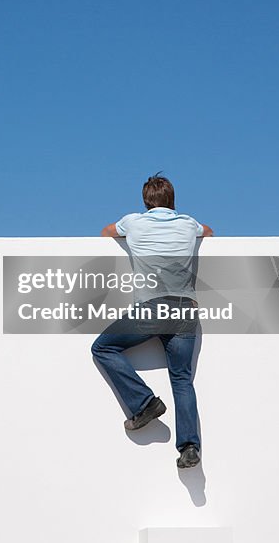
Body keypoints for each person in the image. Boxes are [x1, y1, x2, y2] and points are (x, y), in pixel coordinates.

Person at [91, 174, 213, 469]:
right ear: (172, 201)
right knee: (182, 379)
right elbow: (209, 232)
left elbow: (105, 233)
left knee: (102, 348)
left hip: (152, 308)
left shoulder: (133, 222)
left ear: (146, 202)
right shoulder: (187, 223)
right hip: (186, 309)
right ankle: (189, 447)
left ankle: (144, 404)